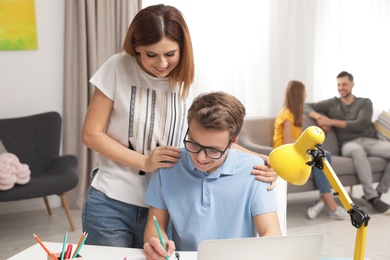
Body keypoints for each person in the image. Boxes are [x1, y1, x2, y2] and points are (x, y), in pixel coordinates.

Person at [81, 4, 279, 249]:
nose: (162, 64)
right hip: (112, 198)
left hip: (168, 202)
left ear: (182, 48)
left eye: (170, 54)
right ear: (136, 47)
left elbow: (214, 136)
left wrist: (262, 161)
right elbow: (91, 134)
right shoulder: (117, 67)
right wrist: (145, 162)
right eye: (151, 54)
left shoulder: (193, 78)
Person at [143, 92, 282, 258]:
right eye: (193, 144)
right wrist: (157, 243)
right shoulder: (168, 166)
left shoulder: (256, 171)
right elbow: (155, 225)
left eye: (213, 150)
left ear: (233, 142)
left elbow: (272, 234)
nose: (200, 158)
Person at [304, 71, 390, 214]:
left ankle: (380, 191)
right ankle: (372, 197)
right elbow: (306, 106)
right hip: (349, 144)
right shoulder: (332, 103)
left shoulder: (365, 102)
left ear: (352, 85)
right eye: (339, 85)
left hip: (370, 141)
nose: (341, 88)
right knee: (357, 151)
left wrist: (331, 121)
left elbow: (361, 124)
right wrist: (319, 117)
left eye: (344, 84)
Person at [273, 80, 349, 220]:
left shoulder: (296, 113)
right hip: (287, 152)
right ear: (298, 94)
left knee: (325, 155)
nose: (306, 93)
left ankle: (322, 201)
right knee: (322, 155)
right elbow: (288, 141)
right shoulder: (287, 114)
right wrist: (307, 143)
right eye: (304, 91)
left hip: (297, 149)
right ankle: (331, 205)